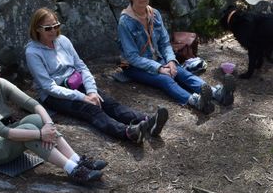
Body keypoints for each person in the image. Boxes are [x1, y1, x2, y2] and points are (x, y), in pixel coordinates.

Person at [25, 8, 168, 145]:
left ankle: (148, 121)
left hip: (75, 81)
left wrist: (92, 91)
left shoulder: (63, 40)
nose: (54, 30)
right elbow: (48, 87)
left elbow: (80, 66)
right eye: (48, 28)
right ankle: (128, 133)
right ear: (37, 29)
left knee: (106, 101)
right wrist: (83, 97)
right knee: (90, 109)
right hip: (54, 94)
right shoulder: (32, 53)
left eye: (56, 25)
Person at [0, 50, 105, 184]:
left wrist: (48, 125)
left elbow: (33, 104)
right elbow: (4, 132)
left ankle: (77, 160)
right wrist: (41, 134)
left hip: (0, 139)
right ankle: (73, 170)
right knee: (30, 129)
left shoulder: (0, 84)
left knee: (38, 119)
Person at [117, 0, 234, 114]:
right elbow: (132, 57)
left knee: (181, 72)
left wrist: (171, 61)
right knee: (165, 80)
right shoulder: (125, 22)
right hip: (132, 66)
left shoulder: (154, 14)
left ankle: (216, 93)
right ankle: (196, 101)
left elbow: (165, 43)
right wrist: (159, 68)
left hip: (157, 58)